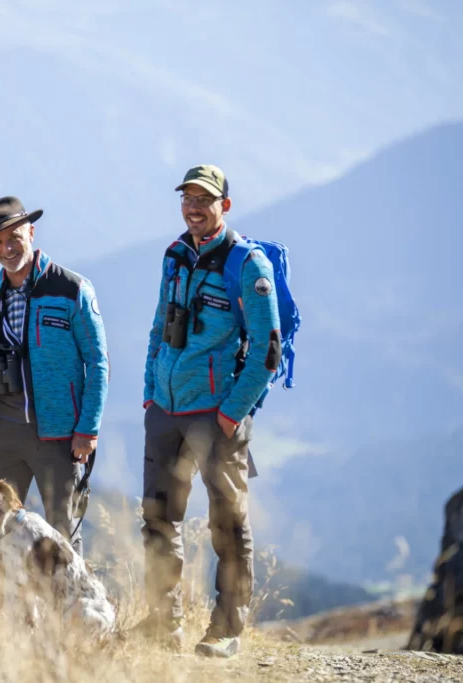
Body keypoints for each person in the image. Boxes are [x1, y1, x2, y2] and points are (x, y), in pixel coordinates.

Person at [140, 165, 280, 658]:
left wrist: (231, 412)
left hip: (216, 416)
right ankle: (163, 624)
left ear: (226, 205)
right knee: (158, 519)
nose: (194, 207)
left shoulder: (248, 265)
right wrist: (150, 391)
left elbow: (267, 350)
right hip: (166, 410)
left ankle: (226, 630)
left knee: (228, 525)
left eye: (205, 199)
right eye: (188, 198)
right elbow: (159, 325)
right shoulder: (175, 254)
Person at [0, 195, 109, 587]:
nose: (6, 249)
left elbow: (98, 362)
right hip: (1, 429)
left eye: (14, 237)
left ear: (31, 232)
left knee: (62, 531)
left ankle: (73, 615)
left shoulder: (72, 289)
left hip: (58, 432)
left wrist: (88, 428)